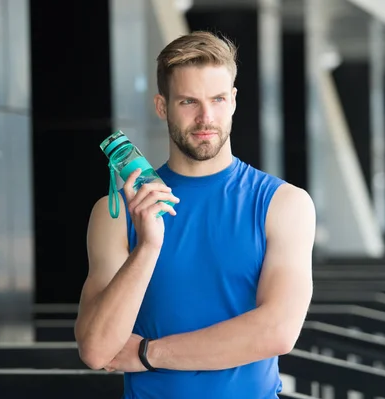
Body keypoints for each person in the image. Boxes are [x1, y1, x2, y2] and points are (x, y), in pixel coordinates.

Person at [74, 30, 315, 398]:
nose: (206, 117)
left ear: (233, 101)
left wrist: (149, 353)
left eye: (218, 99)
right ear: (162, 106)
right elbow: (95, 349)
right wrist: (148, 247)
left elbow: (278, 331)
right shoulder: (118, 213)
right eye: (188, 101)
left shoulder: (283, 204)